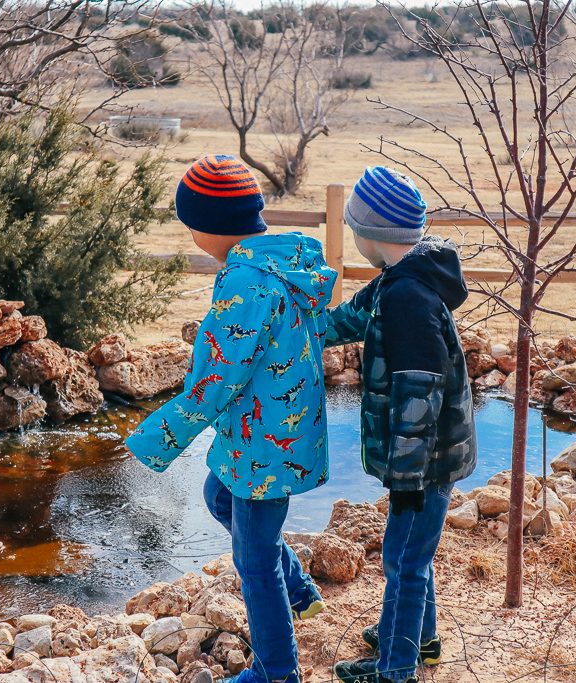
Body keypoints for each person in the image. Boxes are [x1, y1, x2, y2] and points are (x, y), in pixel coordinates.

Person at [125, 154, 336, 683]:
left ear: (203, 228)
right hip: (277, 430)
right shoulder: (283, 264)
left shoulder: (244, 283)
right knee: (219, 497)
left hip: (262, 443)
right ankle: (300, 593)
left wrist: (155, 438)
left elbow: (216, 378)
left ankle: (277, 671)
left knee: (253, 560)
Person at [325, 166, 477, 683]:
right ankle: (422, 639)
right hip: (428, 458)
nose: (353, 237)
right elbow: (350, 318)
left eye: (353, 228)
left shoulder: (409, 299)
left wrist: (407, 476)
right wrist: (301, 332)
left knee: (403, 562)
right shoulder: (398, 278)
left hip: (424, 463)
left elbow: (419, 391)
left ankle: (396, 668)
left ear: (373, 233)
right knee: (413, 554)